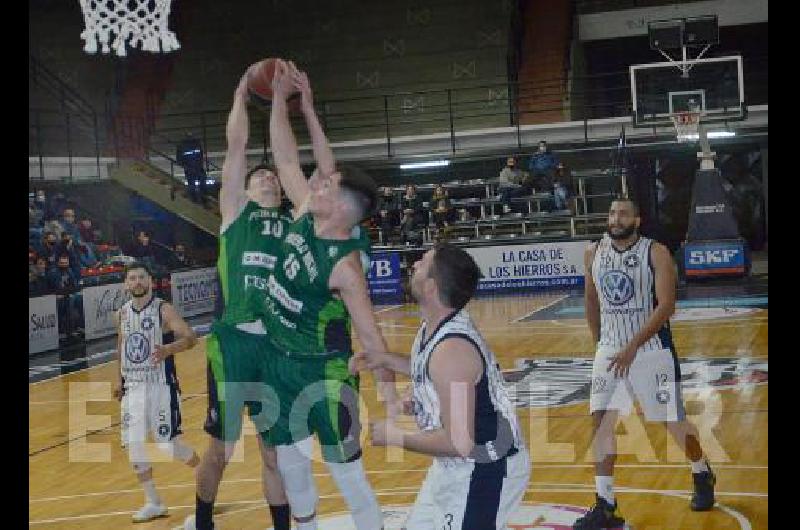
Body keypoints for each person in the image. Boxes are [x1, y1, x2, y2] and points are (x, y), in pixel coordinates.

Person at [262, 59, 398, 530]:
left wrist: (391, 396)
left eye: (326, 185)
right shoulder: (306, 213)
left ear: (342, 207)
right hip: (280, 363)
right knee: (290, 462)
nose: (315, 182)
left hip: (325, 372)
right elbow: (285, 157)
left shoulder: (346, 266)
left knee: (346, 470)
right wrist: (284, 100)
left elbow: (371, 334)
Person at [352, 243, 530, 529]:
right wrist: (384, 359)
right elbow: (432, 371)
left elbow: (458, 443)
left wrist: (395, 436)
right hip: (454, 466)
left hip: (485, 469)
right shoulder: (435, 328)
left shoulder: (452, 350)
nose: (413, 266)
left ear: (431, 287)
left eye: (421, 263)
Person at [184, 66, 293, 530]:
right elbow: (236, 149)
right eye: (259, 176)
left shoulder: (295, 224)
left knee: (274, 451)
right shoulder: (234, 214)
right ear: (245, 191)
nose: (268, 177)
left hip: (275, 348)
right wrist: (239, 97)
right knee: (222, 448)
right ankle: (204, 520)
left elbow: (288, 162)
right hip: (232, 345)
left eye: (273, 175)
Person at [573, 197, 716, 529]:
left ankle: (701, 470)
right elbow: (591, 299)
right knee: (601, 423)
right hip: (610, 351)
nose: (616, 218)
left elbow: (666, 306)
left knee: (672, 422)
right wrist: (600, 345)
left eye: (623, 213)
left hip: (651, 350)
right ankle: (606, 505)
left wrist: (632, 345)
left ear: (637, 220)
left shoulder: (656, 252)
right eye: (611, 212)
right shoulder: (592, 253)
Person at [112, 261, 200, 522]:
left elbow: (191, 337)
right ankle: (153, 502)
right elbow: (121, 346)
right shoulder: (122, 314)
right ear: (126, 284)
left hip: (161, 386)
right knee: (134, 445)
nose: (137, 282)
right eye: (132, 278)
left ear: (150, 281)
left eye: (141, 277)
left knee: (168, 445)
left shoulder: (163, 309)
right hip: (133, 388)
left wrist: (168, 350)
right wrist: (118, 379)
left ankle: (207, 482)